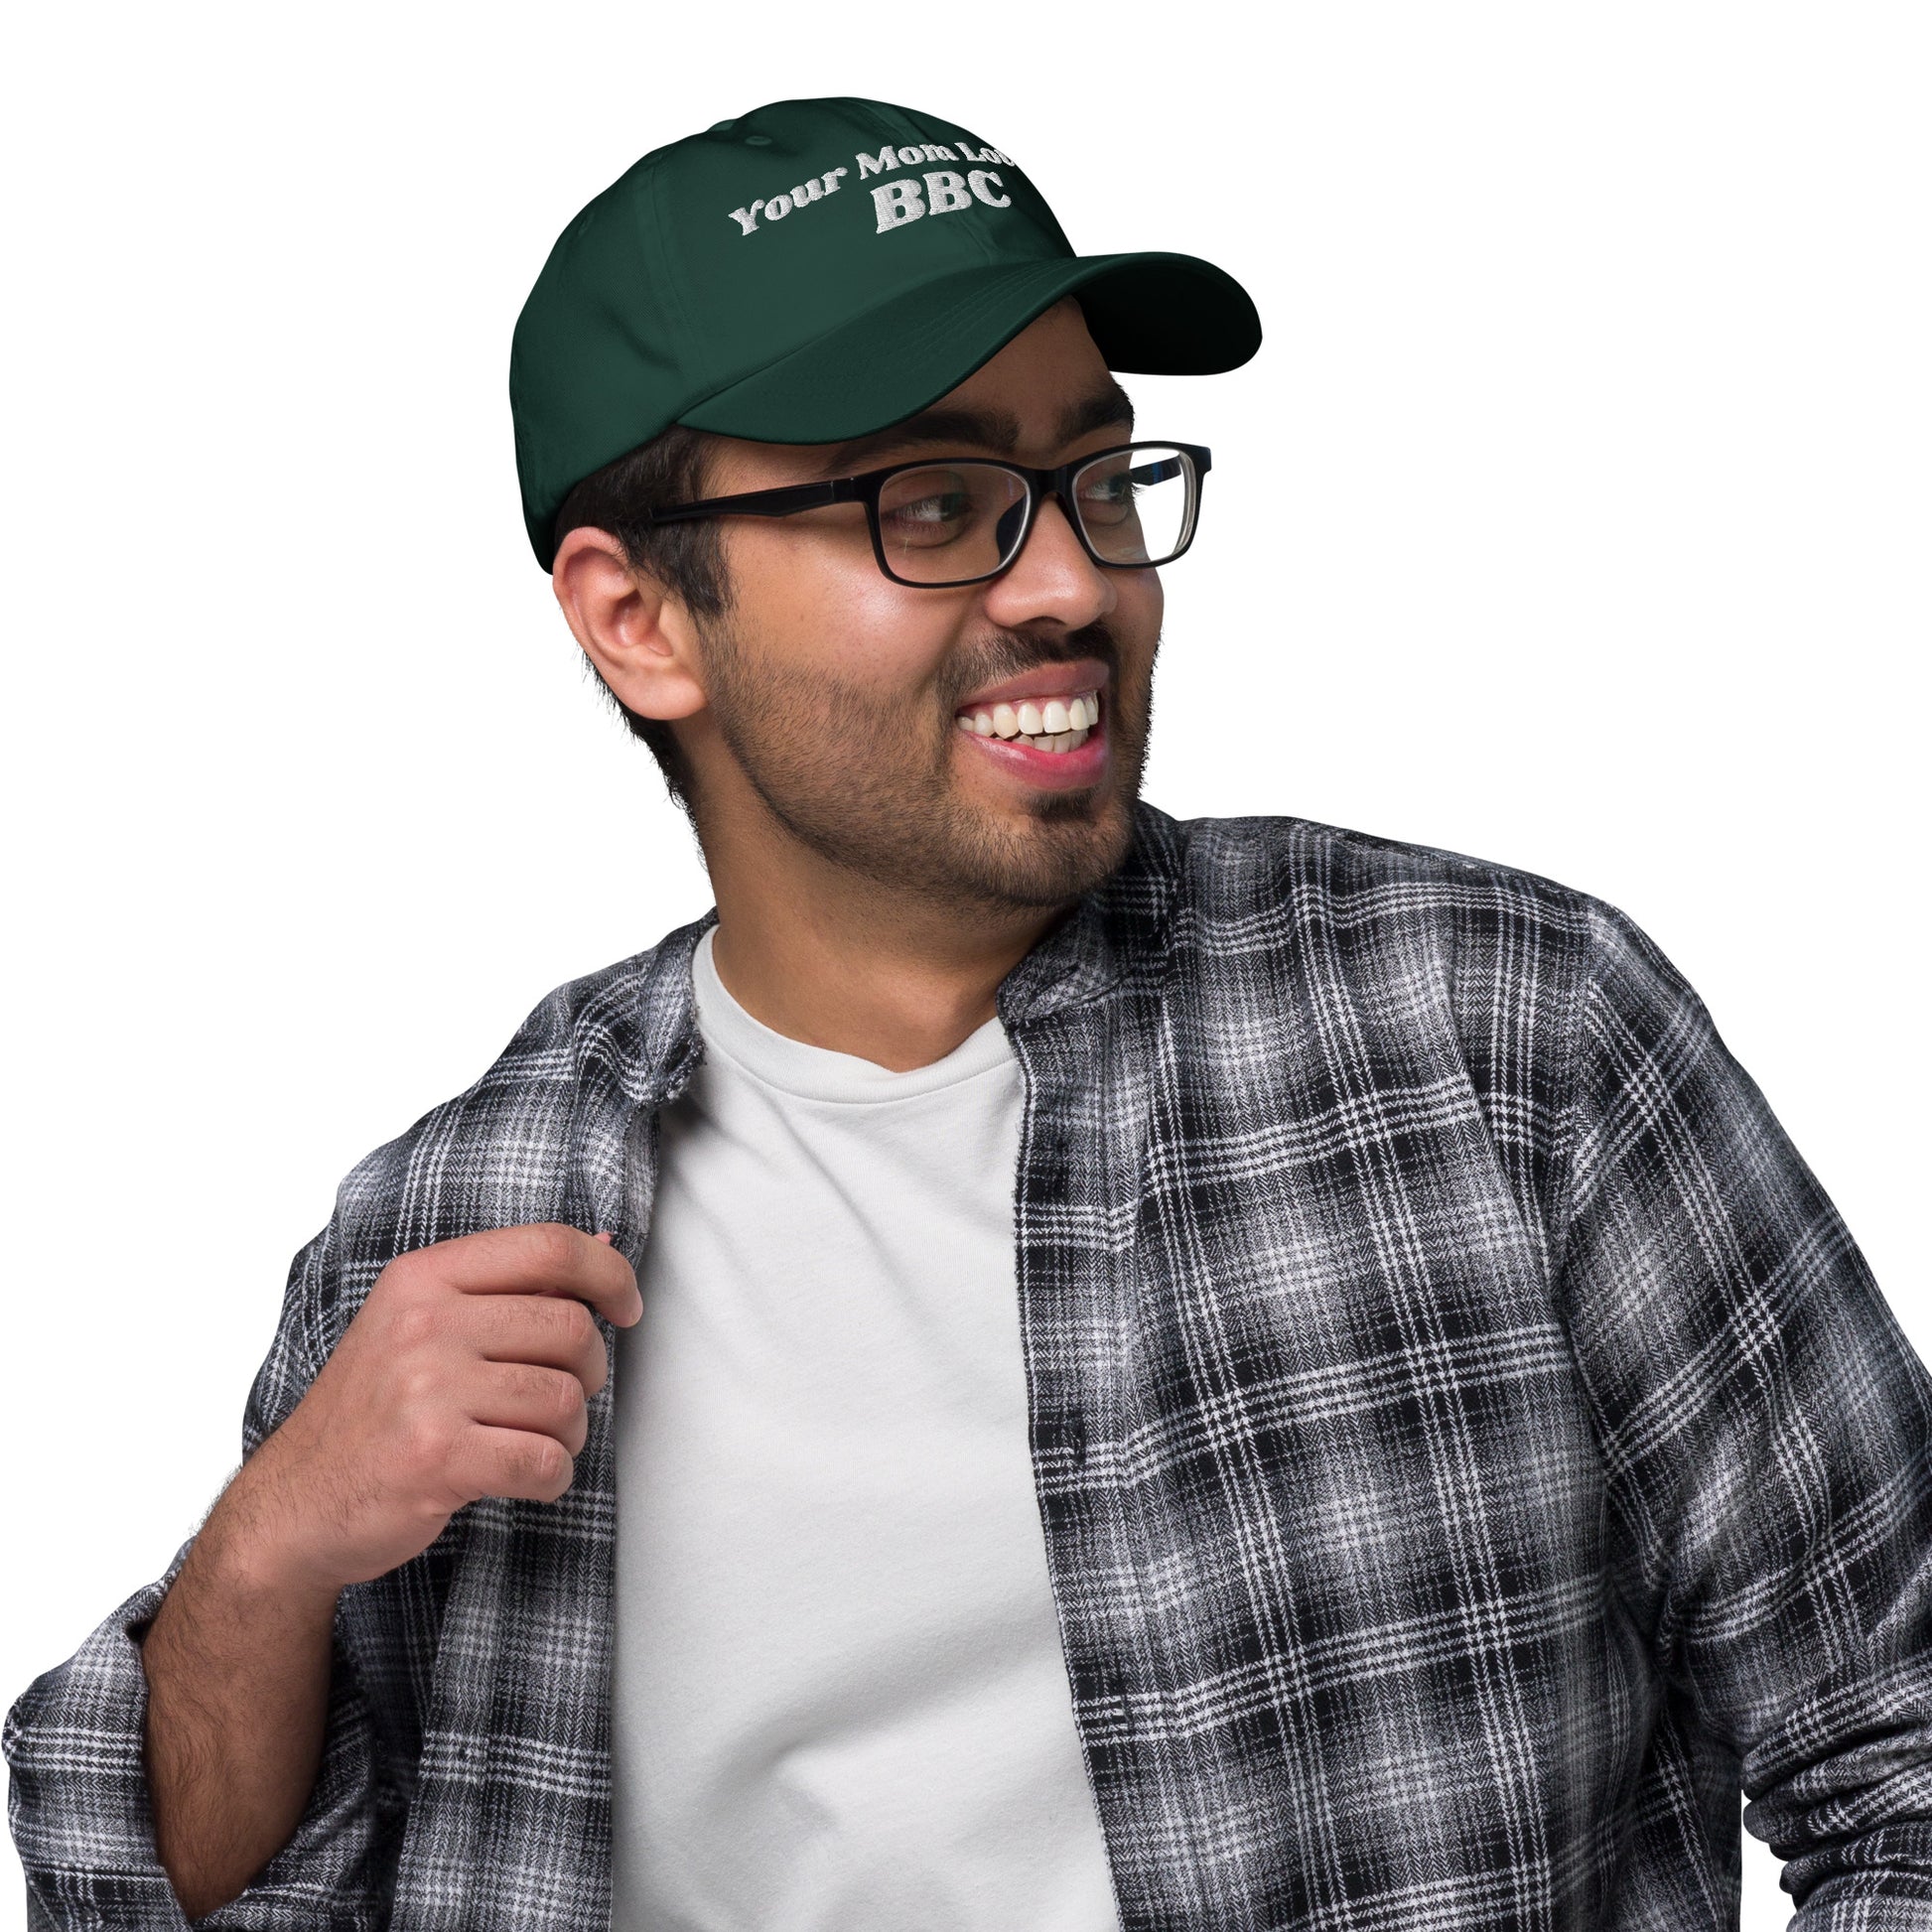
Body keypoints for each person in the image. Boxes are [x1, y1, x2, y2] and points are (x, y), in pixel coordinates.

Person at [8, 91, 1930, 1932]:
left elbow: (1900, 1762)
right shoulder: (450, 1225)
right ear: (636, 618)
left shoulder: (1496, 1040)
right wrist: (259, 1562)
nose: (1070, 581)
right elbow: (188, 1902)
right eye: (935, 502)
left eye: (1093, 476)